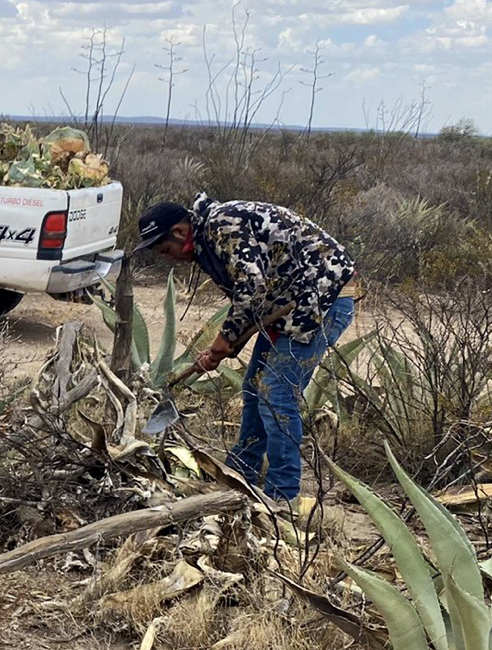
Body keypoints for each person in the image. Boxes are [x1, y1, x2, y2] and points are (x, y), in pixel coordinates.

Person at [130, 193, 357, 506]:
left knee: (276, 393)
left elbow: (250, 290)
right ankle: (241, 474)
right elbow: (254, 298)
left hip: (322, 302)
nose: (168, 257)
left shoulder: (223, 225)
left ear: (180, 233)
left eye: (166, 249)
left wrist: (223, 341)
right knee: (254, 388)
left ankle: (283, 497)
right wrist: (227, 346)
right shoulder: (209, 239)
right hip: (288, 306)